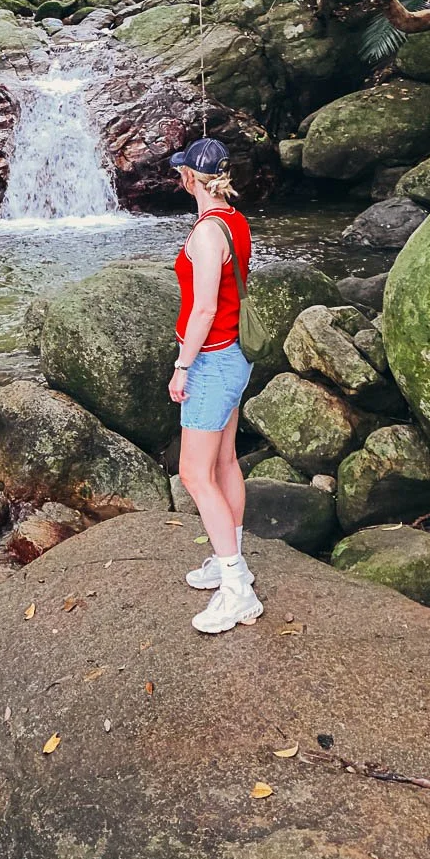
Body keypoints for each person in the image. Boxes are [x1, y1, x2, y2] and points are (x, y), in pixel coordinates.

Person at [168, 137, 262, 635]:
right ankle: (233, 559)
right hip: (234, 357)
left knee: (194, 474)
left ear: (189, 178)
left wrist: (182, 366)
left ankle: (237, 590)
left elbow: (204, 309)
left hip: (210, 361)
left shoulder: (207, 234)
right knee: (225, 462)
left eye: (180, 172)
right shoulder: (233, 220)